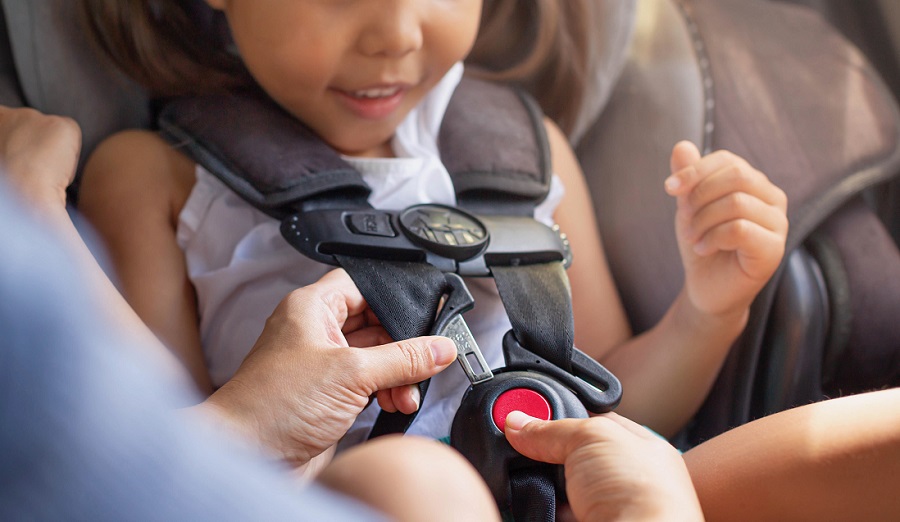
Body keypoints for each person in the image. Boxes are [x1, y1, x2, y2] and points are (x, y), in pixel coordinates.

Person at [66, 0, 899, 519]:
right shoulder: (155, 179)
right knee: (424, 490)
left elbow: (604, 388)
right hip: (352, 496)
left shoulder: (524, 153)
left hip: (588, 491)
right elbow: (155, 460)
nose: (394, 32)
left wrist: (709, 311)